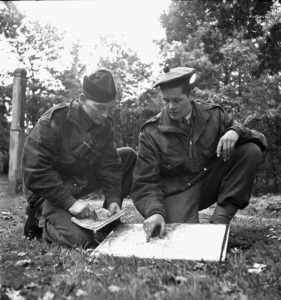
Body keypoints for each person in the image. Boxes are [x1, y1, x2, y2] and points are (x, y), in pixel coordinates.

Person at [132, 66, 267, 242]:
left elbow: (258, 138)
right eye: (166, 101)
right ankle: (178, 216)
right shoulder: (151, 132)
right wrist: (154, 212)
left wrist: (235, 131)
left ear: (190, 95)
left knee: (250, 150)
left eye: (177, 100)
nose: (171, 107)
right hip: (178, 190)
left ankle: (220, 220)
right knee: (179, 238)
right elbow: (146, 181)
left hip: (208, 181)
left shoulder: (213, 115)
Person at [22, 69, 136, 248]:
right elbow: (35, 171)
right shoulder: (53, 121)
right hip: (47, 191)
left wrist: (114, 199)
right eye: (100, 107)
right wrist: (71, 203)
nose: (106, 114)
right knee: (83, 240)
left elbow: (110, 165)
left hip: (77, 180)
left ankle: (108, 221)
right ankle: (39, 218)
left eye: (109, 108)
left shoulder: (104, 124)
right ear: (83, 100)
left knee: (128, 155)